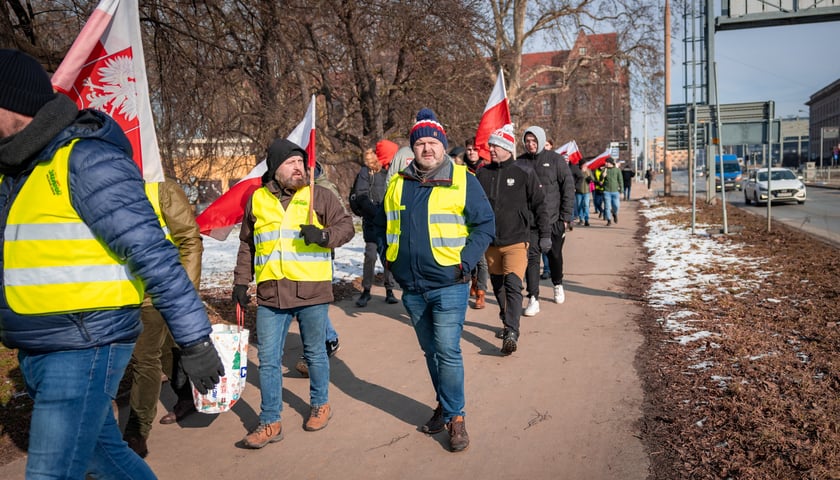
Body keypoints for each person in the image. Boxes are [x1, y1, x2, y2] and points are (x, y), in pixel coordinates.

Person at [0, 49, 223, 479]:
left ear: (15, 104)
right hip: (38, 343)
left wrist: (193, 341)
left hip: (86, 340)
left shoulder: (86, 159)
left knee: (50, 473)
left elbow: (155, 252)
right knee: (106, 457)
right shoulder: (15, 173)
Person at [384, 108, 494, 452]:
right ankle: (444, 407)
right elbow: (390, 228)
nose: (427, 149)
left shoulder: (463, 179)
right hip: (413, 288)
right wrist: (394, 266)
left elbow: (485, 225)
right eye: (421, 144)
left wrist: (465, 262)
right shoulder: (398, 184)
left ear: (443, 146)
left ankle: (456, 418)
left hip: (450, 283)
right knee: (430, 351)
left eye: (433, 142)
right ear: (412, 148)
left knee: (447, 350)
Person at [232, 138, 354, 449]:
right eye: (291, 163)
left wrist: (323, 235)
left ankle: (320, 404)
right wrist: (240, 282)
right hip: (272, 293)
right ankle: (270, 421)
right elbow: (247, 244)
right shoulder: (257, 199)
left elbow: (346, 227)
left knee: (314, 353)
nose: (299, 168)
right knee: (269, 360)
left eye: (301, 162)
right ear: (275, 169)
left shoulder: (318, 195)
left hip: (311, 290)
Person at [123, 178, 203, 458]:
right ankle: (186, 397)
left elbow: (189, 239)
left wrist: (183, 293)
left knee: (145, 358)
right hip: (119, 292)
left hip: (159, 290)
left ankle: (136, 430)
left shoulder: (159, 188)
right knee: (168, 348)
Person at [476, 125, 549, 354]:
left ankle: (511, 331)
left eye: (496, 146)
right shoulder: (482, 173)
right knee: (498, 288)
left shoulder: (523, 172)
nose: (492, 149)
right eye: (490, 146)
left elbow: (540, 205)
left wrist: (545, 235)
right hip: (490, 243)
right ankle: (507, 318)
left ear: (507, 148)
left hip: (517, 240)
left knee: (513, 285)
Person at [516, 126, 575, 314]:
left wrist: (565, 218)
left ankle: (558, 283)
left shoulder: (556, 160)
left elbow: (567, 188)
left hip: (553, 220)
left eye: (534, 141)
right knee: (531, 259)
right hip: (530, 222)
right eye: (527, 141)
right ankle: (533, 298)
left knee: (554, 256)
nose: (530, 144)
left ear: (541, 141)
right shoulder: (520, 162)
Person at [352, 143, 399, 307]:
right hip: (372, 221)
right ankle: (366, 291)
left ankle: (390, 290)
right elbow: (361, 195)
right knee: (370, 255)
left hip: (389, 221)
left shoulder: (392, 171)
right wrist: (375, 214)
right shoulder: (367, 172)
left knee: (388, 255)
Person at [463, 137, 489, 309]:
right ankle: (473, 281)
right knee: (469, 255)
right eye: (469, 149)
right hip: (464, 218)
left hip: (482, 217)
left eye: (474, 149)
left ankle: (481, 292)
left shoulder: (486, 169)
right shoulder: (460, 169)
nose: (471, 152)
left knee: (481, 260)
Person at [602, 157, 624, 226]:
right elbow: (600, 180)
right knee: (607, 207)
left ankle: (614, 213)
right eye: (605, 162)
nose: (605, 163)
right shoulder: (604, 170)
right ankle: (609, 220)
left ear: (610, 163)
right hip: (606, 191)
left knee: (616, 206)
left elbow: (620, 181)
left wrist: (622, 191)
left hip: (615, 192)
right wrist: (602, 176)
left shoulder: (617, 170)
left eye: (607, 162)